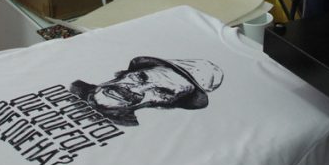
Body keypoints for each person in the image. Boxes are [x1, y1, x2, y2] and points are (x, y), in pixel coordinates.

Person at [68, 56, 224, 126]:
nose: (136, 90)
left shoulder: (131, 131)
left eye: (161, 92)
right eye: (140, 77)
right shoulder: (73, 85)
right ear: (125, 73)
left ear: (163, 105)